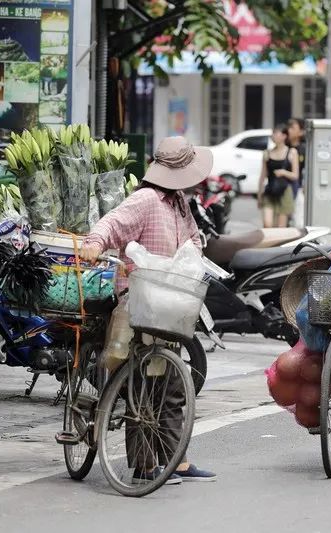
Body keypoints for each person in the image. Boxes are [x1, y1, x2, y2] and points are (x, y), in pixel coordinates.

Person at [79, 136, 217, 484]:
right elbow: (111, 223)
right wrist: (94, 243)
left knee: (172, 385)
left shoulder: (179, 203)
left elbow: (193, 237)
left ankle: (175, 460)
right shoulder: (145, 200)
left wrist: (193, 256)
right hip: (139, 302)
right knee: (143, 383)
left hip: (170, 301)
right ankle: (143, 466)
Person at [257, 125, 299, 228]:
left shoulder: (292, 152)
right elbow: (263, 176)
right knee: (267, 224)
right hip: (270, 191)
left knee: (281, 227)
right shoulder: (267, 153)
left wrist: (283, 172)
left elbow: (295, 175)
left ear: (284, 136)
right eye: (273, 133)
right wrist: (259, 194)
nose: (273, 136)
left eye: (276, 133)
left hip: (284, 192)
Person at [286, 118, 307, 227]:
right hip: (283, 188)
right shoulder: (284, 147)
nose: (289, 130)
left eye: (293, 128)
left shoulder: (305, 149)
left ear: (301, 132)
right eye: (288, 128)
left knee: (298, 221)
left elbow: (307, 170)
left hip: (298, 188)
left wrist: (305, 186)